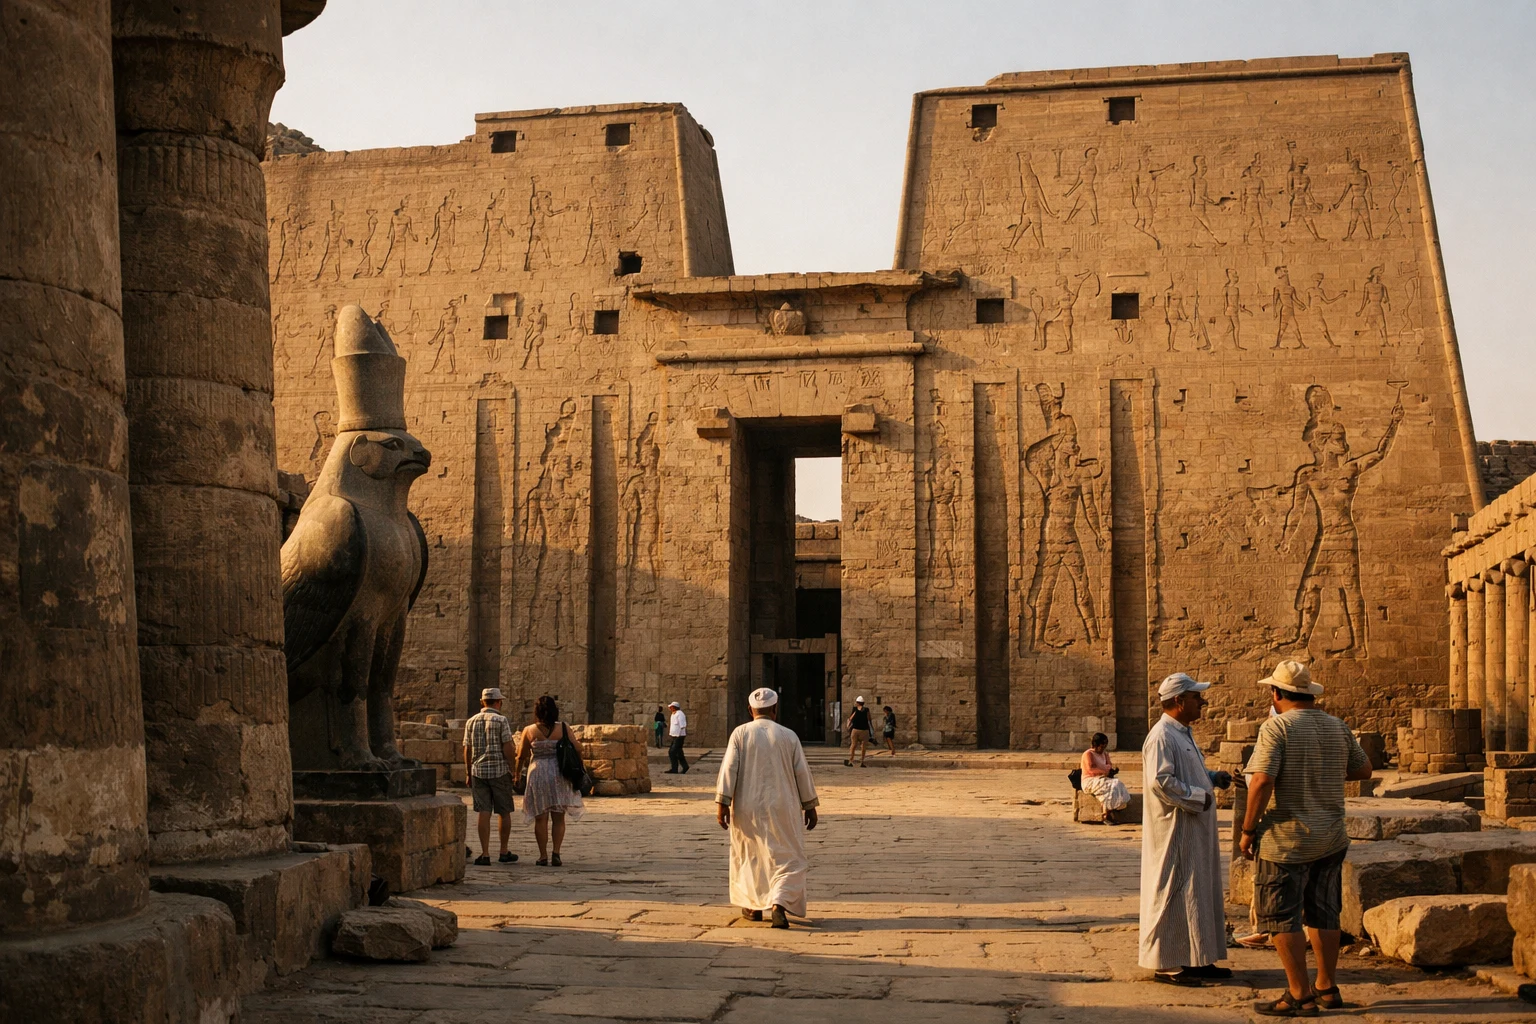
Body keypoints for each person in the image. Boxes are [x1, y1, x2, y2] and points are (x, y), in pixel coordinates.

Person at [1241, 661, 1373, 1017]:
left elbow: (1262, 780)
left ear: (1277, 694)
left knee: (1282, 916)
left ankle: (1298, 993)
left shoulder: (1276, 728)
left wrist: (1248, 829)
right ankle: (1327, 986)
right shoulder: (1337, 726)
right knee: (1325, 912)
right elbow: (1363, 769)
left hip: (1286, 840)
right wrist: (1324, 768)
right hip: (1331, 836)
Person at [1140, 672, 1232, 986]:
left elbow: (1186, 769)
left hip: (1193, 830)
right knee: (1173, 891)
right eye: (1196, 697)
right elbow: (1160, 781)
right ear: (1179, 701)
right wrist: (1198, 797)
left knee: (1197, 892)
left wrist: (1212, 777)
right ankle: (1166, 962)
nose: (1202, 702)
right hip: (1175, 831)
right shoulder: (1161, 736)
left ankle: (1196, 957)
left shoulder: (1181, 733)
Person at [715, 687, 820, 929]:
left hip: (747, 805)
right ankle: (779, 904)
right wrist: (810, 805)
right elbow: (802, 773)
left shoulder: (740, 734)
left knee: (751, 855)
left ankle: (752, 906)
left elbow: (729, 769)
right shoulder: (788, 735)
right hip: (783, 805)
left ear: (749, 709)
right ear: (775, 709)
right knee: (788, 856)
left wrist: (722, 802)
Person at [514, 694, 585, 866]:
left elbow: (521, 756)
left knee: (541, 818)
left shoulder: (529, 730)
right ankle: (556, 853)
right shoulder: (564, 728)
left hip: (537, 774)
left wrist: (516, 775)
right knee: (559, 817)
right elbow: (578, 749)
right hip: (559, 773)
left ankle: (542, 855)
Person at [462, 687, 519, 866]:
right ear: (498, 702)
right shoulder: (501, 720)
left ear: (482, 702)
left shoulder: (471, 721)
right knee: (504, 811)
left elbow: (467, 748)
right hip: (499, 770)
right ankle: (503, 850)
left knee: (483, 811)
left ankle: (485, 853)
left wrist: (467, 771)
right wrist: (513, 768)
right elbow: (508, 747)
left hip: (478, 771)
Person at [1081, 732, 1131, 824]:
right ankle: (1107, 815)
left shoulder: (1105, 754)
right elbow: (1091, 769)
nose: (1103, 748)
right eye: (1101, 746)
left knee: (1118, 785)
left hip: (1103, 778)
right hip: (1090, 780)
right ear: (1096, 745)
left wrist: (1111, 771)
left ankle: (1111, 810)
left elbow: (1109, 765)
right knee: (1110, 787)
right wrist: (1104, 772)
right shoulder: (1088, 754)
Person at [844, 696, 872, 767]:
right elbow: (869, 719)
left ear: (857, 703)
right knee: (863, 746)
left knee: (853, 745)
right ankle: (862, 761)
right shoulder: (866, 710)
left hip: (855, 730)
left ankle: (851, 760)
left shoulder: (855, 709)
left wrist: (848, 726)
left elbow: (851, 718)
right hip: (864, 730)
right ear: (863, 703)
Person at [666, 700, 689, 774]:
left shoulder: (680, 714)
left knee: (672, 752)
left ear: (674, 707)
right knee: (679, 752)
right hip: (674, 736)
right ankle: (685, 766)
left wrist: (679, 734)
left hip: (679, 736)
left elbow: (683, 725)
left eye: (671, 707)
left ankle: (674, 768)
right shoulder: (674, 714)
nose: (670, 708)